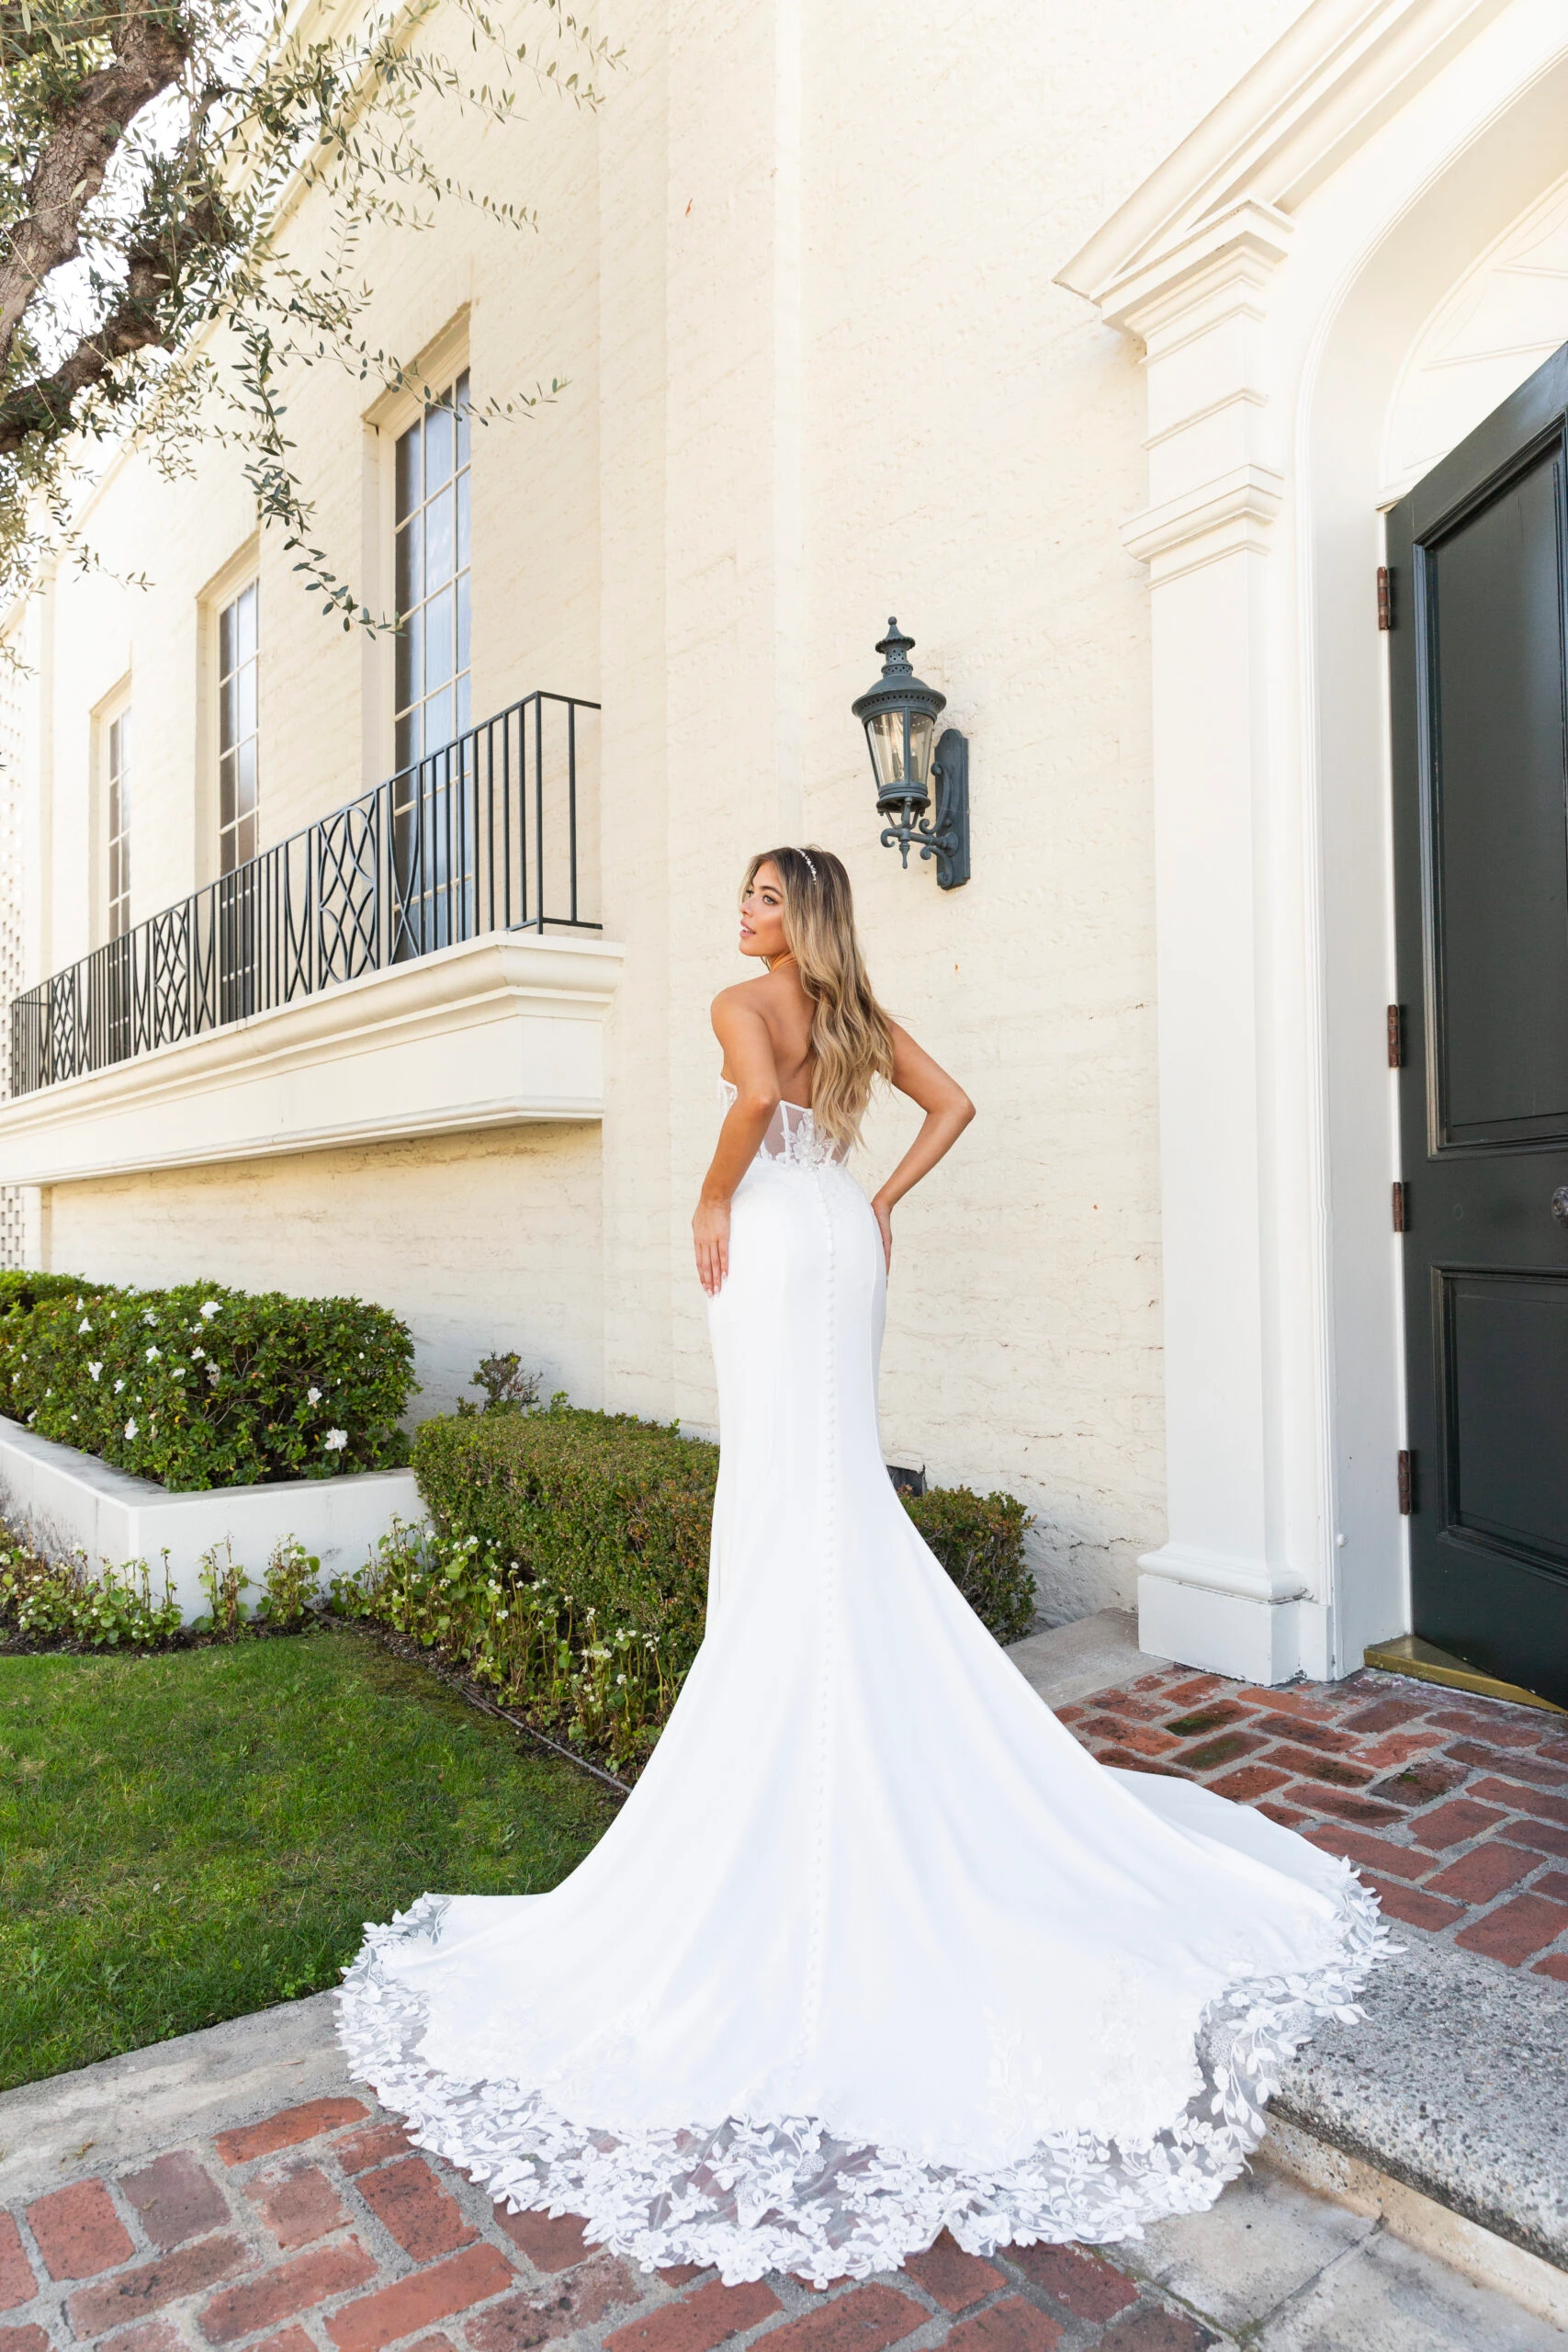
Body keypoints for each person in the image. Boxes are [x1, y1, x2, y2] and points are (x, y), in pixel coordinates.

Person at [338, 845, 1385, 2288]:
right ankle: (843, 1705)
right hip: (839, 1229)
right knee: (826, 1475)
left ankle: (806, 1706)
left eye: (764, 894)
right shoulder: (857, 1008)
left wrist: (712, 1199)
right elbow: (950, 1107)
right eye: (748, 896)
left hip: (774, 1235)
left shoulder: (741, 1003)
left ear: (798, 912)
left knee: (789, 1476)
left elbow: (756, 1103)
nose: (743, 909)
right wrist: (877, 1197)